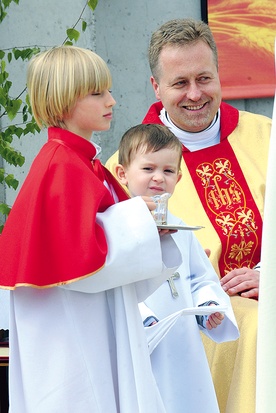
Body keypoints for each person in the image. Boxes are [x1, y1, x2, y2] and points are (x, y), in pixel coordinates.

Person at [0, 46, 182, 413]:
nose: (112, 100)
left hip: (87, 315)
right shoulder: (63, 166)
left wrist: (145, 228)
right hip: (71, 328)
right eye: (97, 93)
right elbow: (81, 257)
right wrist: (138, 222)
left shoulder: (78, 161)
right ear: (65, 100)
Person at [106, 18, 272, 413]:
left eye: (205, 79)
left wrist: (271, 274)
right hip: (192, 322)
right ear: (156, 87)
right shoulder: (130, 167)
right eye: (180, 83)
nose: (195, 95)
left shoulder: (266, 137)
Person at [115, 123, 239, 413]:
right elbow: (117, 281)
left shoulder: (181, 227)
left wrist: (208, 306)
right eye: (148, 169)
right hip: (142, 340)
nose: (159, 177)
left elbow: (199, 277)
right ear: (123, 173)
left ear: (179, 177)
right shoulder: (118, 225)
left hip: (183, 343)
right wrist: (143, 319)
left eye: (168, 171)